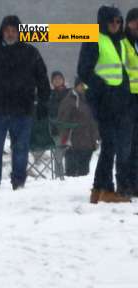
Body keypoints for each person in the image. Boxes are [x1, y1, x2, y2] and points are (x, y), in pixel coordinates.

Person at [0, 15, 51, 191]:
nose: (10, 34)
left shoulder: (31, 52)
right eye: (7, 30)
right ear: (1, 31)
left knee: (21, 149)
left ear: (20, 32)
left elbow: (43, 79)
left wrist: (44, 102)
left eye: (14, 30)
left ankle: (19, 183)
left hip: (23, 110)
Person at [78, 6, 133, 203]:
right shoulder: (93, 38)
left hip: (119, 100)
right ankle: (106, 189)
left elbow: (120, 70)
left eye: (119, 22)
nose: (116, 25)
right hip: (102, 100)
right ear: (103, 22)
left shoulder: (117, 40)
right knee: (110, 144)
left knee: (111, 146)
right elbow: (84, 71)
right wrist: (103, 88)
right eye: (112, 22)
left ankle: (98, 189)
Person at [58, 78, 100, 176]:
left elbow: (94, 120)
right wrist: (65, 139)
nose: (83, 87)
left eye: (84, 85)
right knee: (72, 173)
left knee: (84, 172)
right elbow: (63, 121)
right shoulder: (69, 101)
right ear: (76, 86)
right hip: (73, 142)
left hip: (89, 141)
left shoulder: (90, 99)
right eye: (81, 85)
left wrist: (96, 137)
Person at [125, 9, 138, 194]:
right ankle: (129, 182)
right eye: (134, 21)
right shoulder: (122, 42)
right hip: (126, 99)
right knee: (128, 144)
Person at [49, 71, 71, 177]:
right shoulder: (50, 95)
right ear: (52, 82)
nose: (57, 80)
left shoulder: (70, 93)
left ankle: (72, 174)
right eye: (55, 79)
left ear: (63, 80)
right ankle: (59, 176)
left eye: (59, 78)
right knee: (58, 151)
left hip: (72, 128)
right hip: (57, 129)